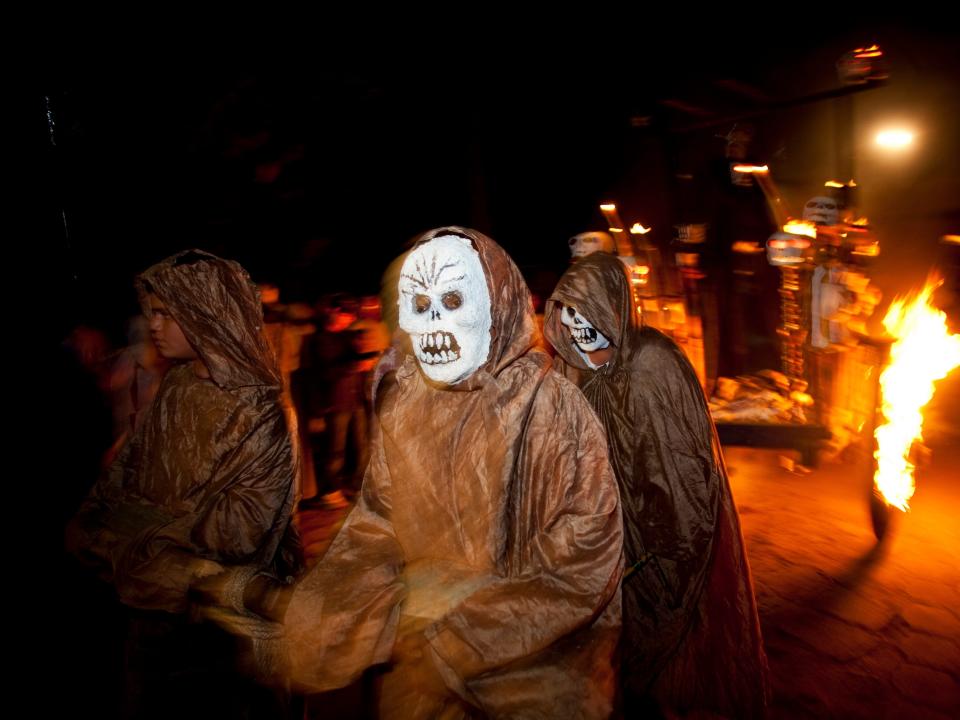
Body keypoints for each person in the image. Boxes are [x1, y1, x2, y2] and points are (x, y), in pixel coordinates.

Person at [207, 227, 624, 719]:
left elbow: (584, 551)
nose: (432, 325)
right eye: (418, 305)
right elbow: (379, 522)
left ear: (496, 306)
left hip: (534, 684)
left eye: (452, 299)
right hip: (421, 672)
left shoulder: (551, 407)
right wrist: (314, 618)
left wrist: (462, 635)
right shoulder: (407, 406)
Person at [67, 249, 301, 719]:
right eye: (150, 312)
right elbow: (126, 475)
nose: (153, 325)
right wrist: (106, 522)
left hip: (227, 632)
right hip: (154, 620)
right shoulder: (176, 387)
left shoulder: (260, 412)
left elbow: (236, 535)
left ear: (205, 313)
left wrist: (129, 538)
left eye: (166, 313)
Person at [544, 251, 769, 718]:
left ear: (613, 304)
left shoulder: (654, 363)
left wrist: (667, 547)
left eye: (586, 308)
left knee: (680, 660)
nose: (576, 321)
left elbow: (685, 472)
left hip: (664, 550)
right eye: (567, 310)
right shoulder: (572, 373)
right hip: (611, 552)